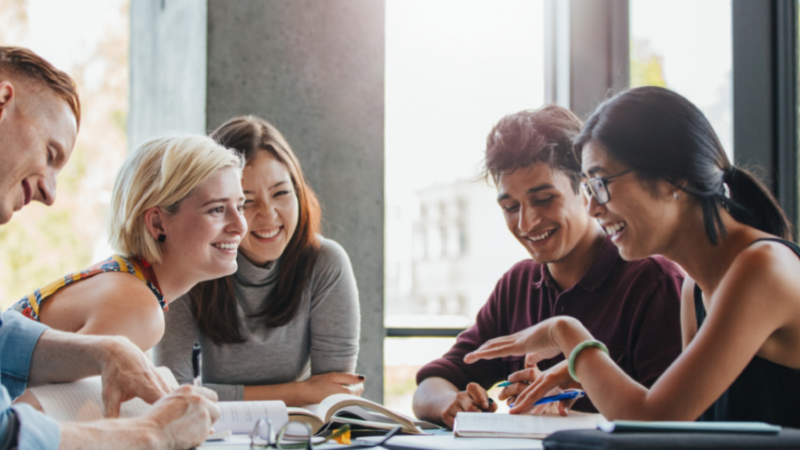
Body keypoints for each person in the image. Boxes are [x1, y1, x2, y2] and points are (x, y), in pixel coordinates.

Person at [465, 86, 800, 427]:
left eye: (601, 184)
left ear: (673, 177)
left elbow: (655, 420)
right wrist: (582, 376)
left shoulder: (762, 267)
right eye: (589, 188)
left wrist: (567, 334)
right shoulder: (694, 289)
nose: (593, 207)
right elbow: (684, 430)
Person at [0, 45, 219, 449]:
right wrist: (150, 434)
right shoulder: (138, 306)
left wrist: (105, 350)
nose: (50, 193)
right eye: (218, 209)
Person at [413, 105, 684, 428]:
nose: (526, 222)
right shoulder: (518, 284)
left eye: (543, 199)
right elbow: (432, 383)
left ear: (586, 190)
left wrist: (566, 406)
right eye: (511, 207)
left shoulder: (653, 281)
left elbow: (669, 423)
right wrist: (450, 403)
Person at [155, 115, 362, 405]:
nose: (268, 214)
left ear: (299, 192)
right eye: (246, 202)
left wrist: (311, 394)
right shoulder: (188, 263)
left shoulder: (325, 263)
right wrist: (299, 391)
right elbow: (173, 393)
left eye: (281, 193)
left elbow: (333, 393)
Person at [8, 133, 248, 352]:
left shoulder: (127, 282)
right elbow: (39, 399)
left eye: (240, 207)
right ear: (157, 223)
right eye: (217, 209)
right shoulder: (137, 309)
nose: (240, 226)